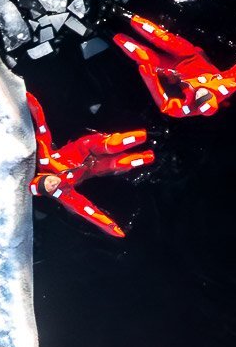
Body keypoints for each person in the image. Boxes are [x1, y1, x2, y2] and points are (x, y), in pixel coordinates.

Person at [26, 92, 153, 238]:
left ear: (45, 176)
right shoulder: (64, 194)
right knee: (121, 163)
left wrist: (33, 103)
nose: (54, 183)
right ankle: (151, 155)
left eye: (49, 181)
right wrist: (111, 227)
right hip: (94, 167)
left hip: (88, 147)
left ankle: (149, 134)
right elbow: (88, 211)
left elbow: (42, 128)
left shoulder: (45, 158)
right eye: (52, 187)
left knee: (114, 144)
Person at [112, 14, 236, 118]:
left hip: (171, 70)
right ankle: (122, 14)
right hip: (189, 56)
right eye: (205, 96)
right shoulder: (227, 86)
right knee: (161, 37)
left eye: (199, 100)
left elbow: (166, 106)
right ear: (213, 95)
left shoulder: (189, 108)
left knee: (140, 55)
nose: (200, 94)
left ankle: (110, 30)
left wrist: (150, 78)